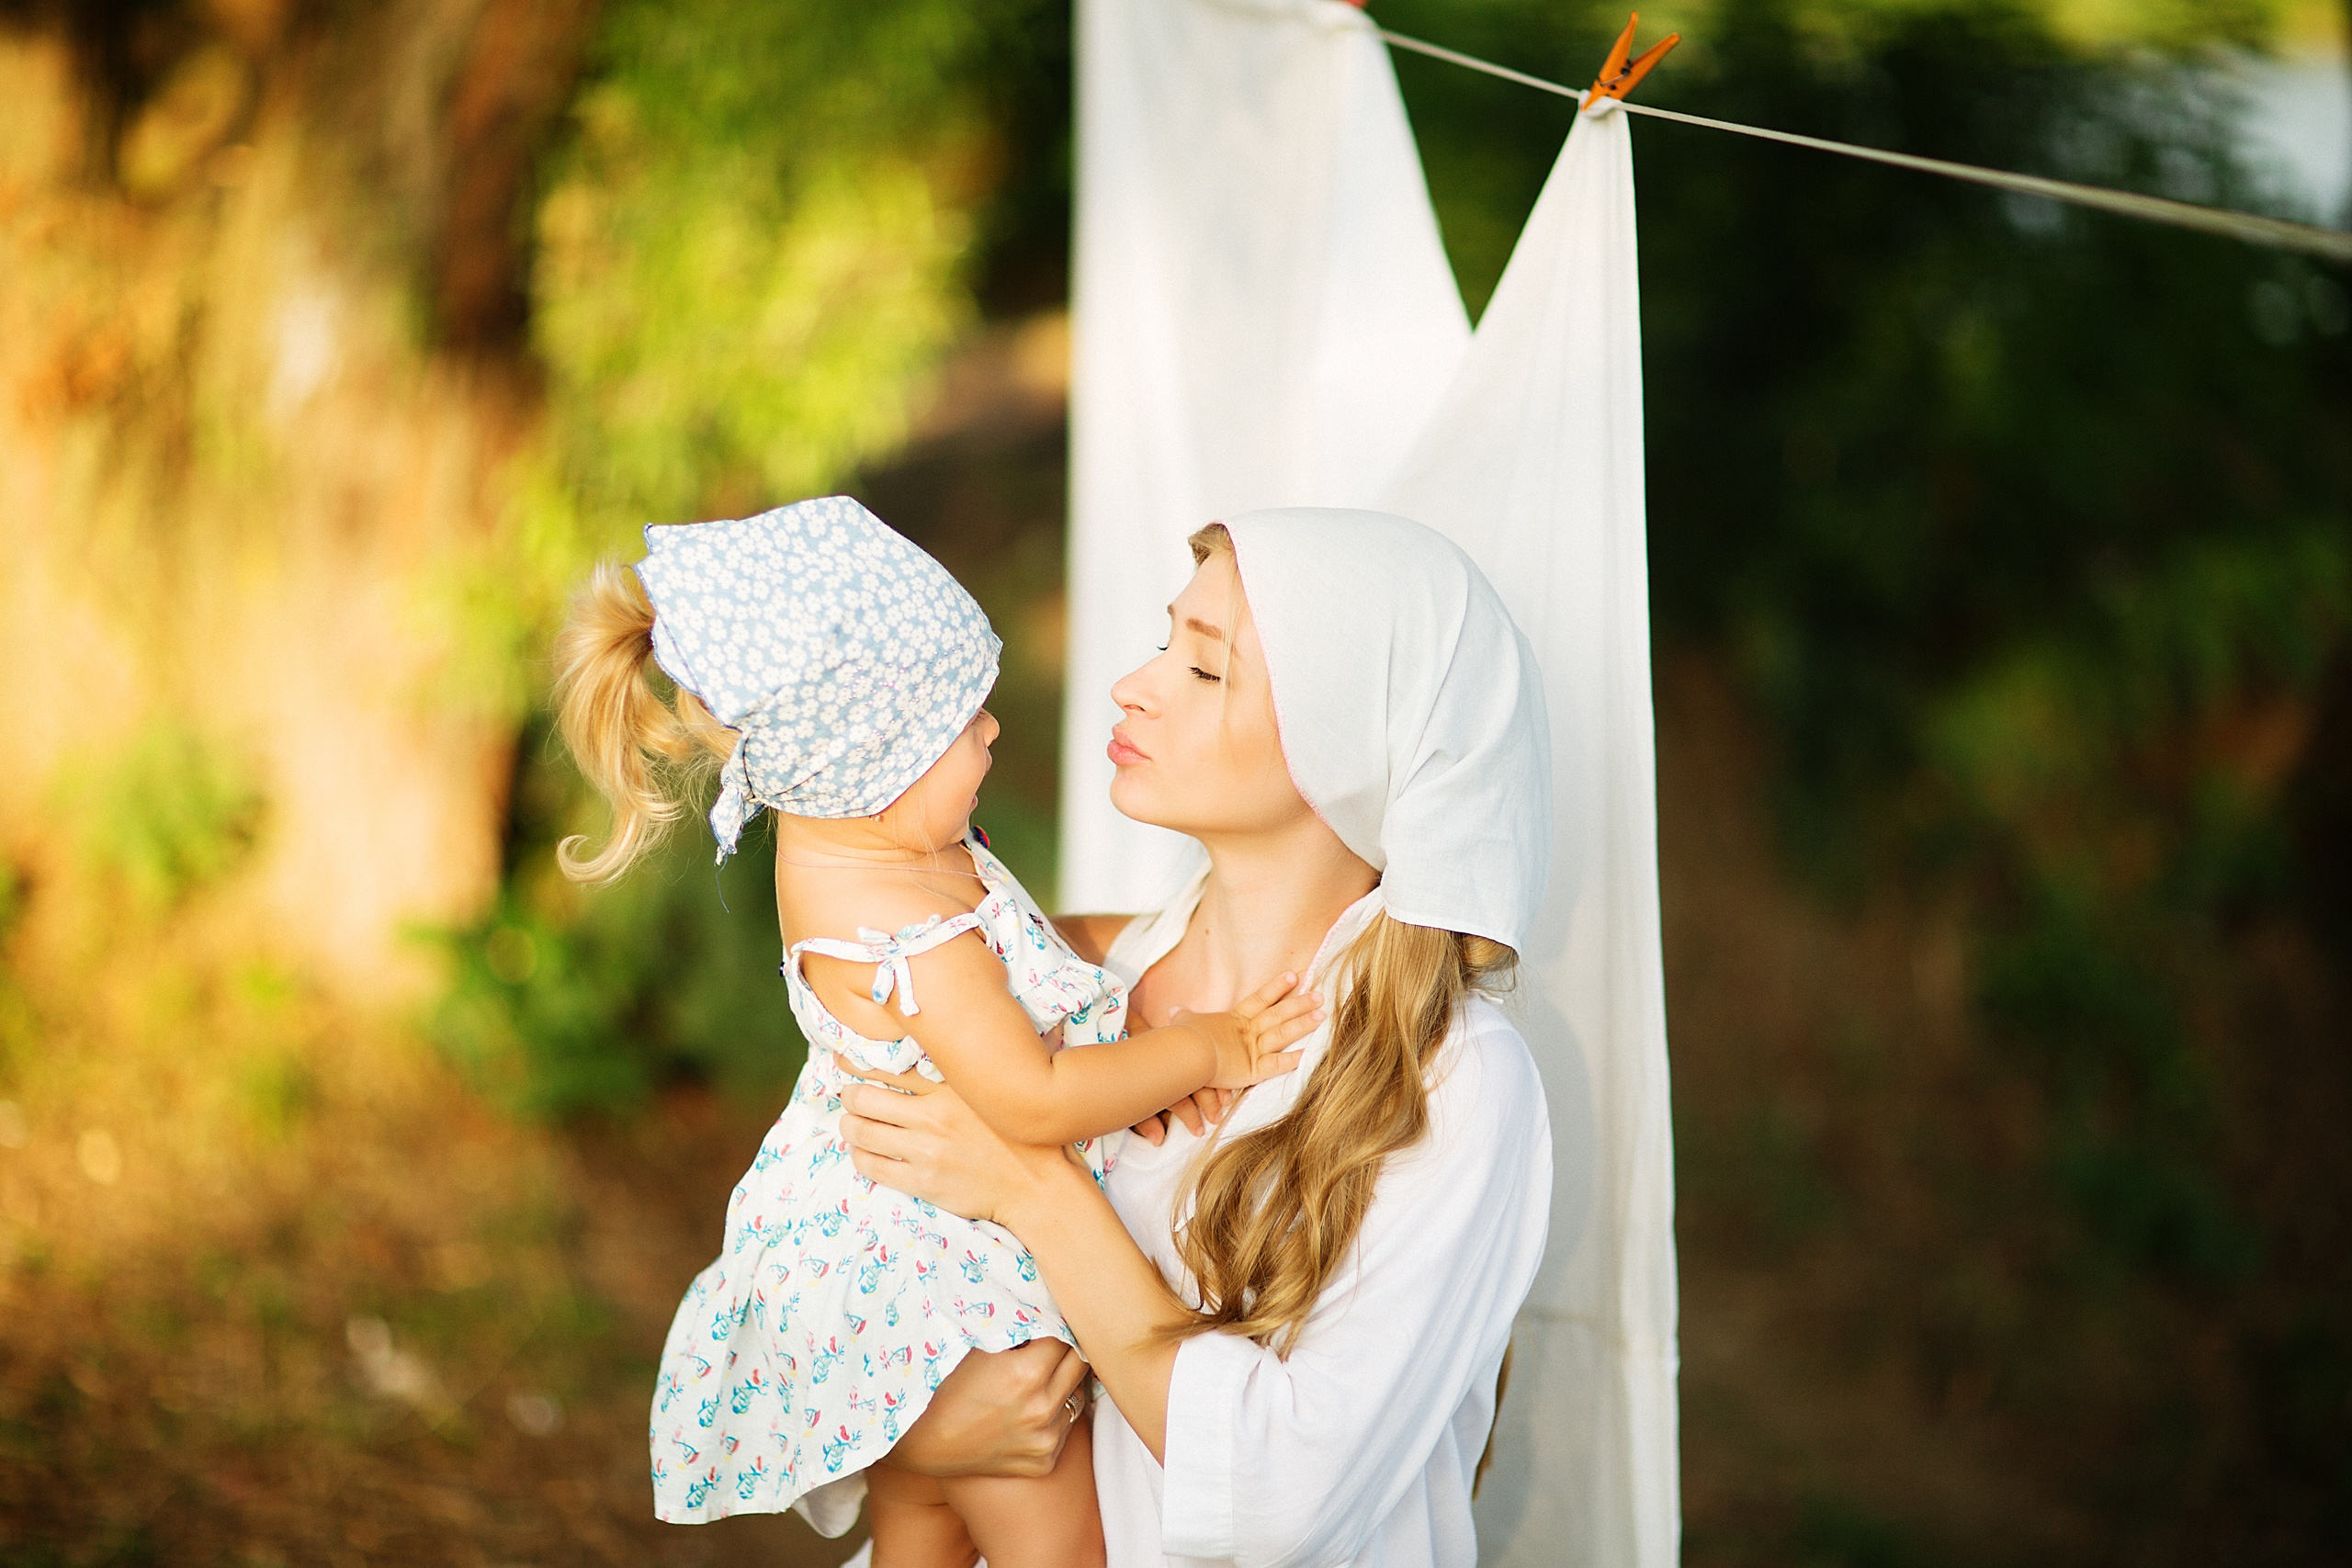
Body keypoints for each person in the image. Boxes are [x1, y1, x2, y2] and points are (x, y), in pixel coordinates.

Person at [548, 495, 1321, 1568]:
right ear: (876, 765)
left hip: (885, 1295)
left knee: (922, 1537)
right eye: (963, 724)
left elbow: (1030, 951)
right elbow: (1035, 1100)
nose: (993, 730)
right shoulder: (906, 924)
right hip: (948, 1306)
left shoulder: (871, 850)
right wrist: (1210, 1049)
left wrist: (1134, 972)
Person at [841, 509, 1557, 1567]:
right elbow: (835, 1254)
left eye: (1206, 670)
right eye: (1166, 640)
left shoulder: (1453, 1083)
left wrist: (1035, 1185)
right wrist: (917, 1453)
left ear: (1353, 744)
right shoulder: (1064, 983)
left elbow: (1278, 1500)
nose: (1136, 683)